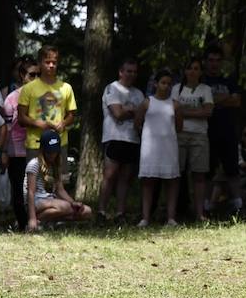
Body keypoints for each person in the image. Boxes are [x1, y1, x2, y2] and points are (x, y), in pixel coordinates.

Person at [18, 45, 77, 177]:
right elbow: (21, 118)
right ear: (39, 64)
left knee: (59, 182)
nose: (51, 65)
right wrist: (39, 124)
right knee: (34, 185)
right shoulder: (29, 88)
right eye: (47, 62)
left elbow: (72, 115)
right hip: (35, 143)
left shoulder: (66, 88)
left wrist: (64, 123)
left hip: (59, 142)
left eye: (54, 62)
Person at [98, 58, 145, 222]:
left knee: (126, 177)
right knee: (110, 175)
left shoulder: (139, 94)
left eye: (134, 72)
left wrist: (129, 110)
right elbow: (117, 113)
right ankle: (101, 212)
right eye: (128, 71)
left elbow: (142, 116)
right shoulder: (112, 88)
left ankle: (120, 213)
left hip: (132, 139)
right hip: (114, 136)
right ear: (121, 72)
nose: (132, 75)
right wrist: (133, 110)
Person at [135, 69, 183, 227]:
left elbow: (179, 126)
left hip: (169, 146)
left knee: (171, 181)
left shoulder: (175, 104)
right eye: (163, 82)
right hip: (150, 147)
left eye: (169, 84)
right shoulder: (147, 102)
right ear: (156, 84)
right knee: (148, 181)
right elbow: (138, 122)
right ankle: (145, 218)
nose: (166, 86)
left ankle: (171, 217)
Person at [171, 57, 214, 221]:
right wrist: (197, 112)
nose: (193, 72)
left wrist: (185, 111)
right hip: (179, 134)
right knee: (176, 175)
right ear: (185, 71)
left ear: (201, 72)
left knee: (199, 174)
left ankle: (199, 213)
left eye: (196, 68)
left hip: (200, 135)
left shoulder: (206, 89)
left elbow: (208, 112)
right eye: (190, 68)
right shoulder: (176, 89)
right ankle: (172, 213)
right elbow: (174, 111)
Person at [25, 130, 93, 231]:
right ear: (42, 150)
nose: (52, 155)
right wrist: (32, 218)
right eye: (49, 152)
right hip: (36, 200)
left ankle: (51, 221)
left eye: (55, 152)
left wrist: (73, 202)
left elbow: (60, 190)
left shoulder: (56, 164)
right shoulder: (34, 164)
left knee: (86, 211)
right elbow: (30, 192)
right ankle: (34, 220)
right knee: (64, 207)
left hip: (51, 200)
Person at [202, 46, 242, 215]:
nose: (214, 64)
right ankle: (204, 207)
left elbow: (237, 101)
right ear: (206, 62)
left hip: (228, 130)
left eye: (218, 60)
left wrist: (213, 100)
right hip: (207, 131)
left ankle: (238, 206)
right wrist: (225, 99)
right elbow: (202, 104)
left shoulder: (229, 80)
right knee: (207, 170)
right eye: (211, 60)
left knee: (232, 169)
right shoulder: (201, 81)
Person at [3, 59, 39, 230]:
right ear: (22, 76)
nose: (36, 78)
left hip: (37, 149)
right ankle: (23, 224)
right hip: (16, 151)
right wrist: (4, 152)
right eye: (32, 75)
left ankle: (37, 221)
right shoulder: (11, 99)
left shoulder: (43, 97)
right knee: (18, 190)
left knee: (37, 189)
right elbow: (7, 128)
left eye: (39, 75)